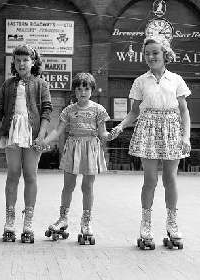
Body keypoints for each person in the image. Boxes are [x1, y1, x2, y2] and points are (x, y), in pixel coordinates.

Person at [111, 36, 191, 250]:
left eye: (155, 53)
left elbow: (184, 111)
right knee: (150, 180)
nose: (150, 57)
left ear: (165, 54)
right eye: (147, 54)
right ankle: (146, 224)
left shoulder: (176, 79)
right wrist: (120, 126)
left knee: (170, 179)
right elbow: (134, 112)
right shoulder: (140, 81)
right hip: (147, 128)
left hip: (172, 129)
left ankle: (172, 223)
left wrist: (185, 136)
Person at [37, 73, 112, 244]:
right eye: (79, 89)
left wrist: (111, 134)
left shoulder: (99, 110)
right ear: (74, 91)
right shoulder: (68, 110)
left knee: (87, 186)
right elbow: (57, 131)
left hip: (91, 148)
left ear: (92, 90)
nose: (82, 92)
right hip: (72, 148)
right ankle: (63, 218)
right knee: (68, 186)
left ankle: (86, 222)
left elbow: (103, 133)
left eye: (86, 88)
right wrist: (44, 141)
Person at [0, 44, 52, 243]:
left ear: (33, 62)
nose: (22, 63)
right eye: (18, 60)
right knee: (13, 174)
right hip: (12, 132)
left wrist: (41, 135)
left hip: (33, 133)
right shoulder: (7, 85)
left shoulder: (41, 84)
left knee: (30, 174)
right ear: (14, 63)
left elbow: (46, 111)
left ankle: (28, 223)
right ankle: (10, 221)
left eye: (26, 60)